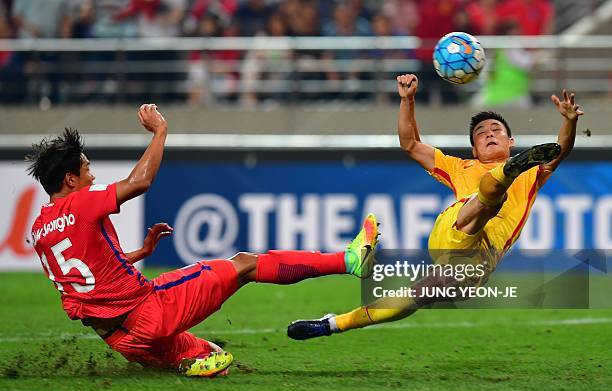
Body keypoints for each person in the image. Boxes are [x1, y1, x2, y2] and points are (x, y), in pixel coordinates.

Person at [26, 104, 380, 376]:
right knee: (245, 264)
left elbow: (86, 278)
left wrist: (140, 253)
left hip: (124, 341)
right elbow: (140, 182)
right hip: (150, 311)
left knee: (216, 358)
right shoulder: (81, 201)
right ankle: (349, 261)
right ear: (70, 179)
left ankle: (187, 362)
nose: (93, 175)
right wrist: (160, 131)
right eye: (87, 169)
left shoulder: (40, 229)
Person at [287, 73, 584, 340]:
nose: (489, 134)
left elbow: (561, 150)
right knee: (493, 198)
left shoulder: (533, 173)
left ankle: (332, 324)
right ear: (474, 149)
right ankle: (503, 175)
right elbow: (410, 144)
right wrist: (407, 100)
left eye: (496, 130)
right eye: (481, 133)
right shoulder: (460, 167)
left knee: (412, 298)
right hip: (453, 230)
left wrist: (569, 121)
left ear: (511, 140)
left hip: (476, 264)